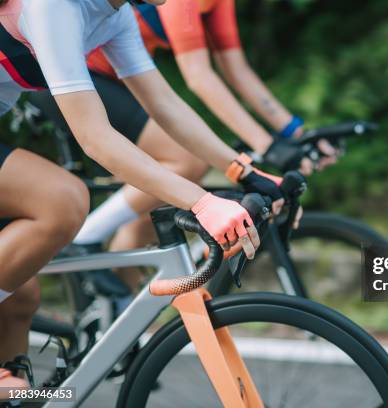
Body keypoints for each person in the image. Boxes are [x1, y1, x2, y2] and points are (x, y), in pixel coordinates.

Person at [0, 0, 285, 394]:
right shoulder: (53, 6)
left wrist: (247, 173)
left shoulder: (116, 16)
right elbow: (95, 137)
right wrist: (202, 202)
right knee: (60, 200)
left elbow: (165, 106)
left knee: (17, 297)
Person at [28, 0, 334, 297]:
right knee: (185, 161)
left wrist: (274, 150)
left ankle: (114, 322)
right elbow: (199, 76)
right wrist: (263, 148)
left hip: (116, 77)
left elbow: (231, 71)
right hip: (77, 76)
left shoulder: (202, 5)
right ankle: (87, 235)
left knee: (148, 216)